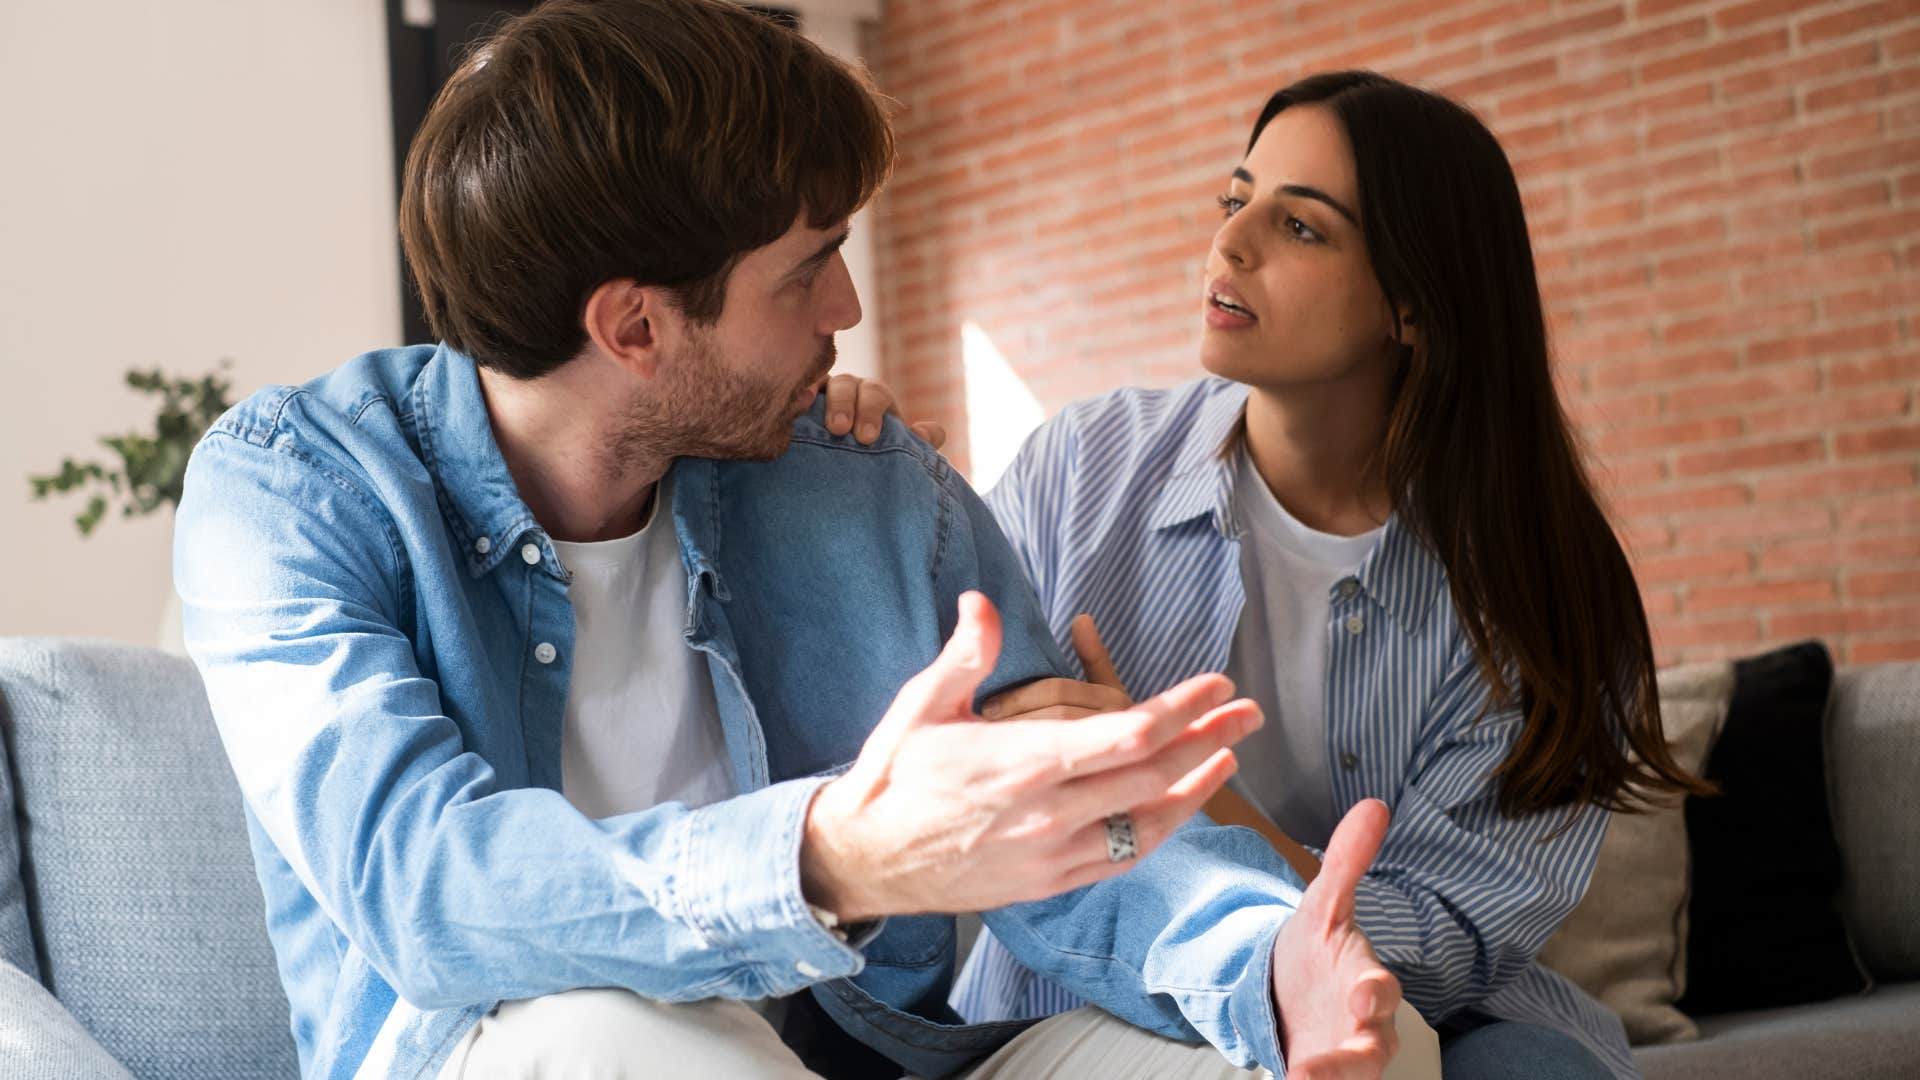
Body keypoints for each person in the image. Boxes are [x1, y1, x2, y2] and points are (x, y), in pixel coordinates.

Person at [172, 7, 1410, 1078]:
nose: (850, 310)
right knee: (622, 1039)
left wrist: (1264, 961)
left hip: (867, 1060)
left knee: (1365, 1043)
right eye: (807, 271)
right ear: (636, 328)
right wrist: (835, 855)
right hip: (518, 1055)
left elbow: (1059, 811)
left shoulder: (854, 476)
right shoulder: (293, 493)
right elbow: (428, 889)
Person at [946, 71, 1712, 1080]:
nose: (1230, 242)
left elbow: (1440, 945)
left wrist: (1184, 792)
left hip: (1426, 1010)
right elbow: (946, 759)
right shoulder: (1082, 470)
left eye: (1301, 228)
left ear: (1415, 305)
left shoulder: (1542, 586)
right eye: (1237, 198)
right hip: (1083, 991)